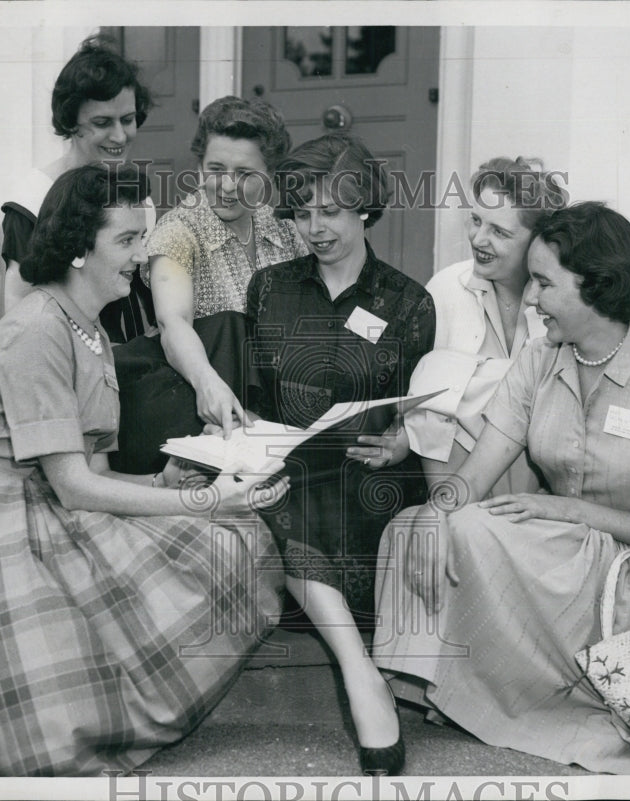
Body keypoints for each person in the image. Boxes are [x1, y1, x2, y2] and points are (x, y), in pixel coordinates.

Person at [0, 165, 290, 777]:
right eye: (127, 241)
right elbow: (75, 486)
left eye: (143, 237)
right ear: (80, 251)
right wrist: (210, 502)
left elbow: (94, 472)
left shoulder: (89, 330)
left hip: (55, 503)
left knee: (234, 546)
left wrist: (165, 485)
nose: (142, 256)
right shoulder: (36, 329)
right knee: (55, 725)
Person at [372, 202, 630, 775]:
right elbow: (471, 478)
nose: (531, 299)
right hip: (565, 551)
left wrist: (570, 509)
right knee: (420, 524)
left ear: (596, 287)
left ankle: (495, 693)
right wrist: (434, 514)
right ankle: (429, 687)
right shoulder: (539, 357)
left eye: (545, 284)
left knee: (473, 530)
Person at [244, 133, 436, 775]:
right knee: (283, 493)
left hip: (365, 481)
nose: (314, 227)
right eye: (301, 213)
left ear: (365, 208)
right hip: (284, 473)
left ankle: (358, 665)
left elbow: (416, 410)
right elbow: (253, 396)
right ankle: (364, 679)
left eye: (329, 210)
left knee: (324, 499)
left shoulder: (409, 302)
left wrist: (401, 443)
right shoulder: (268, 289)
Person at [112, 95, 308, 474]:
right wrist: (207, 383)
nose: (227, 186)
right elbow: (174, 322)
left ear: (270, 174)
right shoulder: (179, 231)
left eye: (245, 174)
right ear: (199, 165)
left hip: (270, 399)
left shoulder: (284, 227)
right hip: (198, 396)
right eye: (215, 169)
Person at [404, 156, 567, 492]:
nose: (478, 239)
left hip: (541, 485)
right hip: (451, 481)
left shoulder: (562, 304)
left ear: (538, 241)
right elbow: (423, 405)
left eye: (499, 232)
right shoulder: (445, 287)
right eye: (475, 221)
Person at [0, 34, 156, 343]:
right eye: (102, 123)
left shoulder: (137, 199)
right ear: (70, 121)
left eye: (128, 119)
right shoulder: (32, 200)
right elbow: (18, 314)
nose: (120, 136)